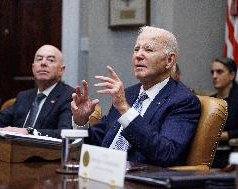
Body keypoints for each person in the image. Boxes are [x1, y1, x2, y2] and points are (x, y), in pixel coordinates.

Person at [71, 26, 201, 167]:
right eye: (136, 49)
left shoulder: (182, 100)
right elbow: (101, 139)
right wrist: (81, 123)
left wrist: (125, 110)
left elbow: (167, 154)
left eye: (148, 50)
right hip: (102, 172)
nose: (138, 55)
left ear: (169, 60)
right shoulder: (129, 94)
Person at [0, 45, 74, 138]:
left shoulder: (68, 96)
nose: (43, 63)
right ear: (33, 68)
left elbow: (64, 133)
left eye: (51, 60)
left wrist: (28, 131)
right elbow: (0, 118)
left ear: (61, 70)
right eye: (39, 59)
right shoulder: (25, 96)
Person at [210, 57, 238, 168]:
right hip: (207, 153)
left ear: (232, 75)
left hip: (231, 154)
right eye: (212, 72)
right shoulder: (209, 101)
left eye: (219, 72)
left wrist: (226, 135)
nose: (214, 76)